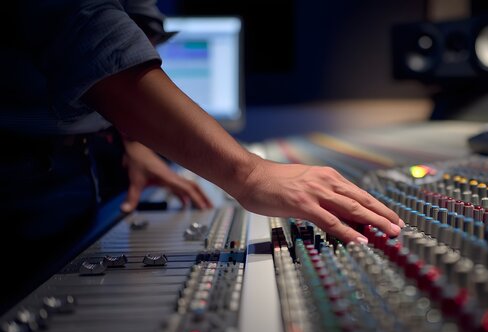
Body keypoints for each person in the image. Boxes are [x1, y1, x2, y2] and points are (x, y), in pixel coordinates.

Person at [1, 0, 402, 311]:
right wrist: (250, 174)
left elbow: (134, 20)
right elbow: (83, 32)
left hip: (80, 160)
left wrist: (132, 139)